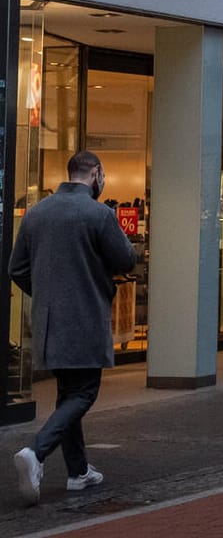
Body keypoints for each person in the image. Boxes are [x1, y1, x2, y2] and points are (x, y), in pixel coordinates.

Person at [9, 150, 136, 504]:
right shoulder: (99, 213)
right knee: (84, 392)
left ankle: (78, 471)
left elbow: (16, 269)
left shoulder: (37, 214)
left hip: (49, 321)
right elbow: (126, 258)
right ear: (95, 173)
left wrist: (47, 294)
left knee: (69, 393)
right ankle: (35, 452)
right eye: (103, 175)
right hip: (85, 318)